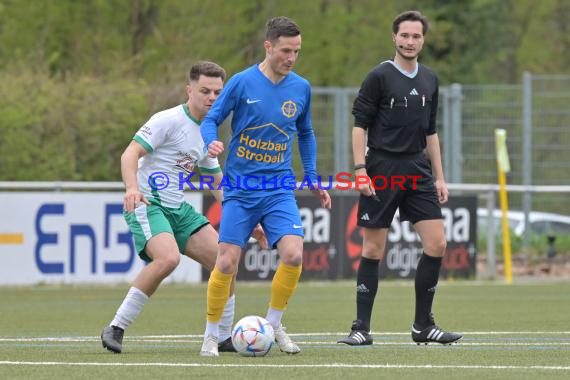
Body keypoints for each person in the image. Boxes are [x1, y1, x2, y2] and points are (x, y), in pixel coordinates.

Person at [100, 61, 268, 354]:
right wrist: (132, 188)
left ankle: (224, 336)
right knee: (167, 259)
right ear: (189, 89)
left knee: (225, 260)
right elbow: (131, 153)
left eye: (217, 92)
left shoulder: (208, 131)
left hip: (178, 208)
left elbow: (217, 182)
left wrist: (244, 217)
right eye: (205, 90)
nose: (212, 97)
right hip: (148, 204)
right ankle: (116, 327)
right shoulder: (168, 120)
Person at [198, 16, 331, 357]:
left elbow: (305, 132)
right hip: (241, 190)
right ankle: (212, 335)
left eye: (297, 51)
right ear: (268, 46)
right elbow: (212, 118)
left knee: (293, 253)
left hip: (278, 189)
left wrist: (312, 175)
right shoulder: (242, 83)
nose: (291, 57)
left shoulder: (301, 88)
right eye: (286, 50)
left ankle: (272, 325)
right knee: (226, 263)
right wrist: (212, 142)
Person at [337, 11, 462, 346]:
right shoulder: (378, 76)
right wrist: (360, 170)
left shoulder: (431, 79)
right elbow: (359, 126)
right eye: (404, 36)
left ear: (423, 40)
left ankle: (423, 325)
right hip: (381, 168)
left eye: (416, 36)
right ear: (394, 37)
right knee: (374, 248)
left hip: (418, 170)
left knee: (437, 244)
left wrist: (440, 177)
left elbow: (431, 132)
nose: (409, 42)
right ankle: (361, 327)